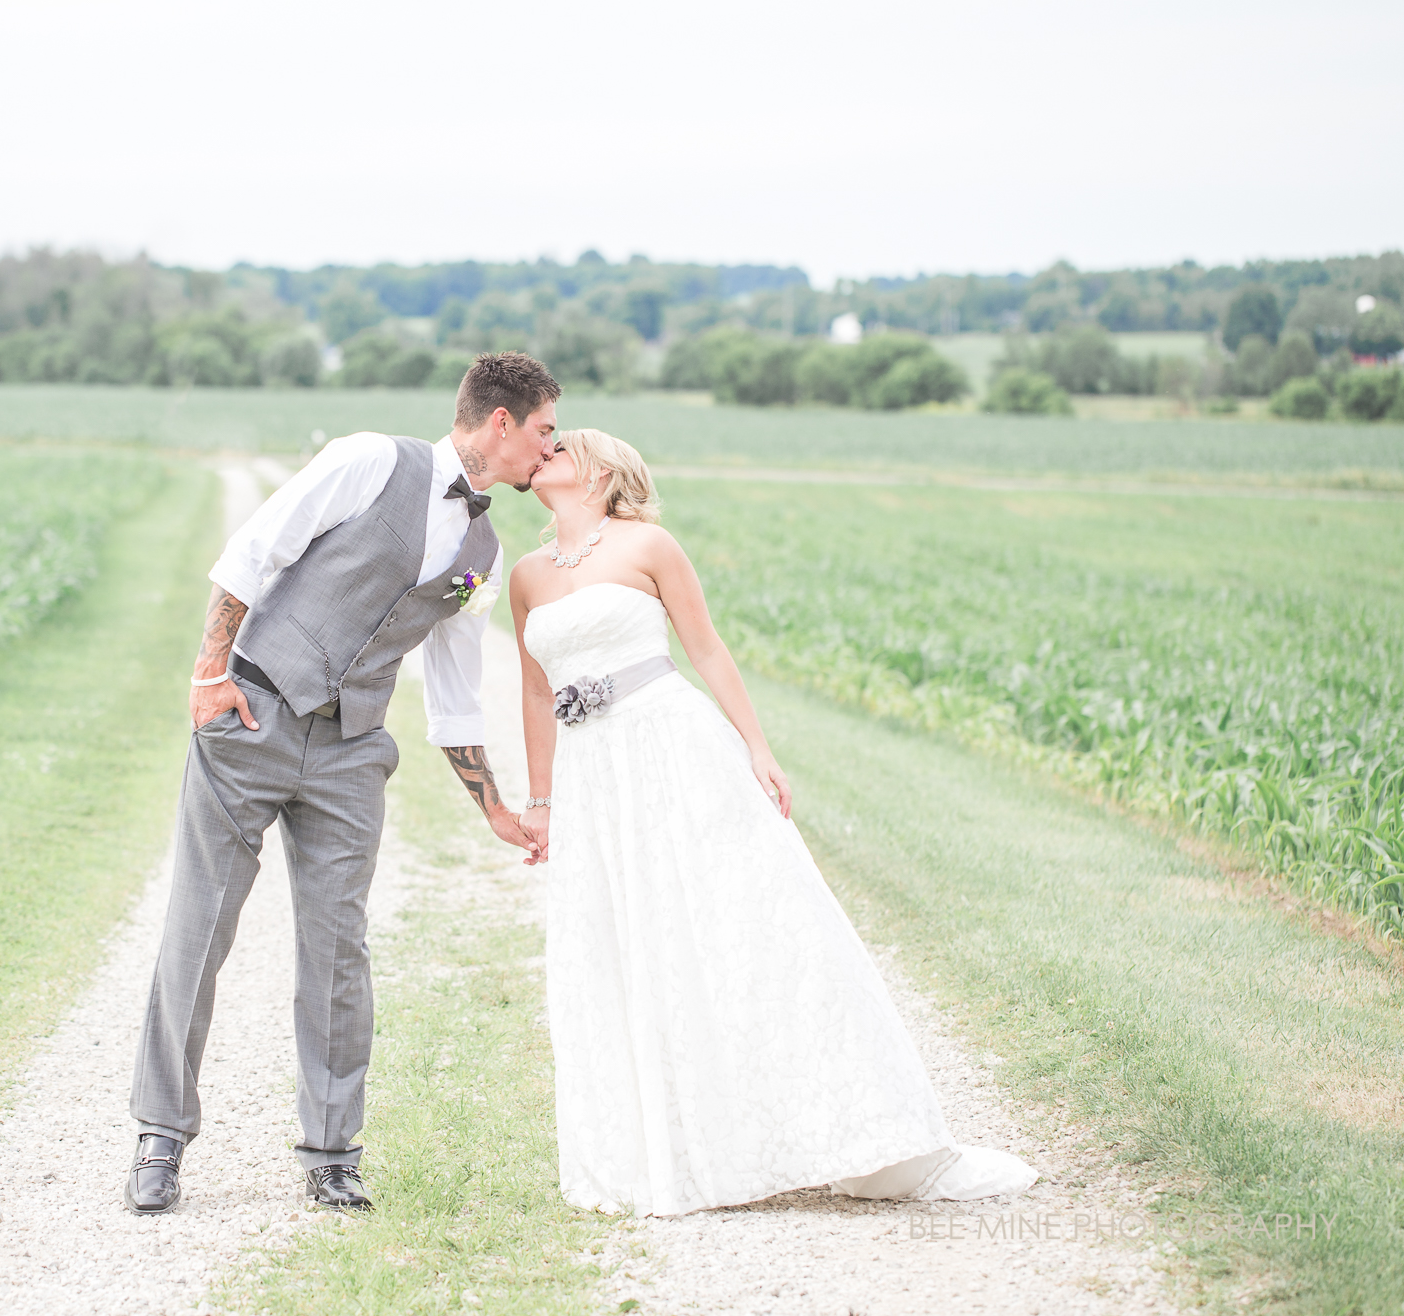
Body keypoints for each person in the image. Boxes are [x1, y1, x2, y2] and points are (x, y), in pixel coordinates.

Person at [508, 429, 1036, 1217]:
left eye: (566, 444)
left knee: (732, 921)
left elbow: (709, 650)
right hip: (594, 777)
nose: (548, 449)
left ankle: (851, 1126)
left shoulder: (650, 544)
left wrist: (757, 747)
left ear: (604, 473)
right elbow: (533, 692)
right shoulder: (525, 575)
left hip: (671, 746)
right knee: (625, 938)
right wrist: (542, 799)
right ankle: (668, 1143)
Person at [125, 352, 560, 1214]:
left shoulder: (484, 545)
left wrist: (496, 805)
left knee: (339, 949)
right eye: (545, 431)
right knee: (200, 926)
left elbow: (454, 688)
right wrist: (212, 674)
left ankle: (332, 1152)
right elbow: (255, 548)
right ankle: (160, 1138)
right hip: (253, 714)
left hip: (353, 751)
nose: (551, 451)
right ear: (500, 422)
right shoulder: (370, 459)